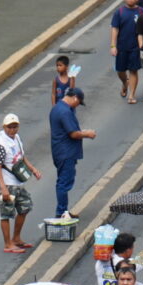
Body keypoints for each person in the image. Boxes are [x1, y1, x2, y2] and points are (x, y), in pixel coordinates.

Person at [47, 85, 95, 224]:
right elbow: (73, 133)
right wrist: (87, 133)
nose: (78, 106)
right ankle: (61, 212)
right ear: (75, 98)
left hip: (60, 151)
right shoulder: (65, 112)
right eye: (78, 102)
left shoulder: (57, 108)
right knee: (64, 182)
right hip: (66, 152)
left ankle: (64, 211)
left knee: (64, 181)